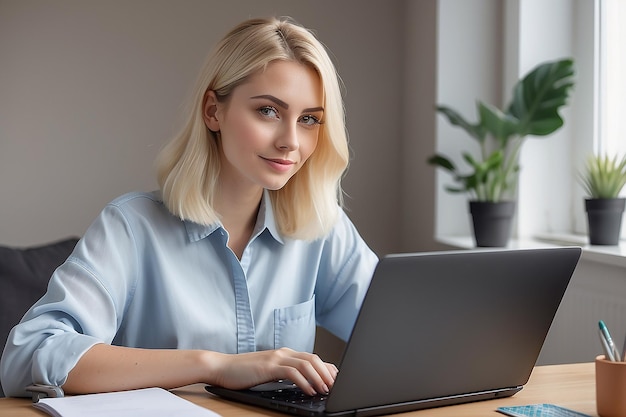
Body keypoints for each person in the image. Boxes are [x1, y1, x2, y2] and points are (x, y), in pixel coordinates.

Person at [0, 16, 378, 397]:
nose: (291, 141)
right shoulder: (131, 227)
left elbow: (406, 336)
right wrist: (215, 365)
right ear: (213, 111)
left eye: (309, 119)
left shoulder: (322, 227)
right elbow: (28, 355)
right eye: (268, 111)